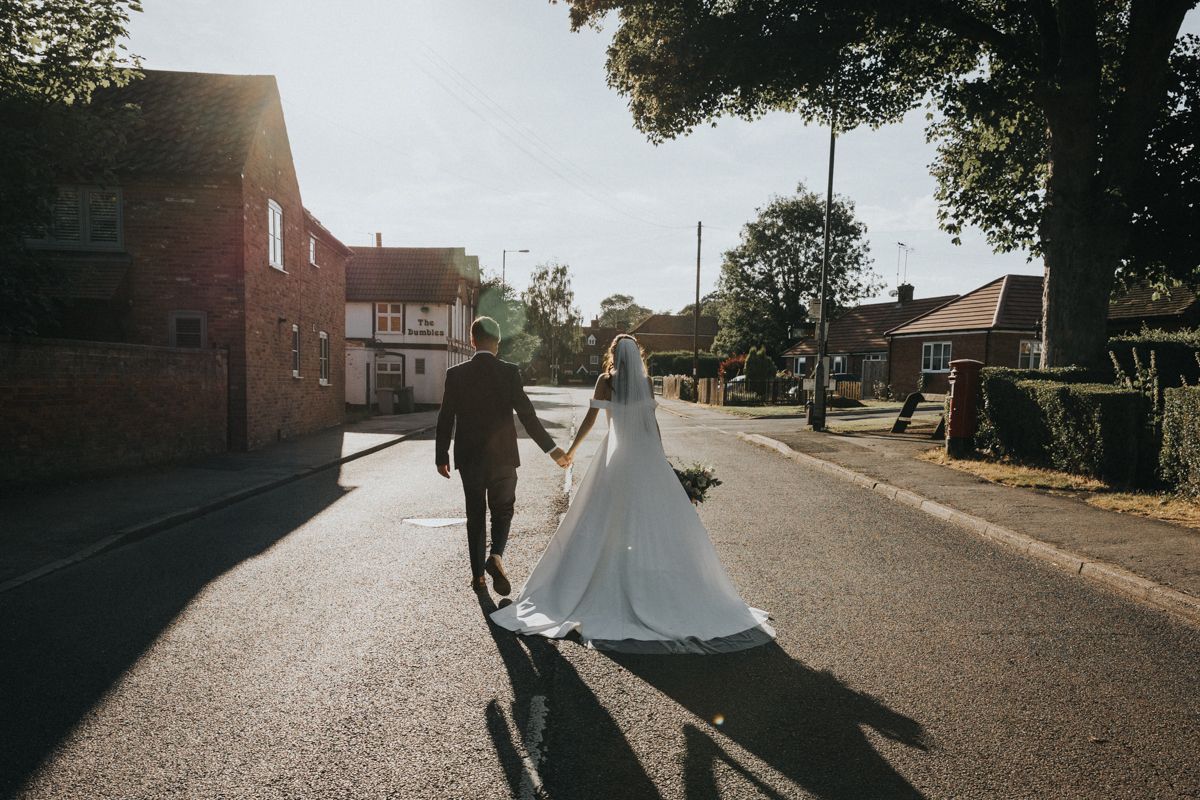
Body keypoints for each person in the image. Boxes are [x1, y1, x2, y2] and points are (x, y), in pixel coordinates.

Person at [490, 334, 774, 653]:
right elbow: (651, 424)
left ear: (614, 355)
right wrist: (662, 460)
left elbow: (590, 420)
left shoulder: (605, 381)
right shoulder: (645, 380)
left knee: (601, 521)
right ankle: (647, 582)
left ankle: (608, 581)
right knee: (653, 522)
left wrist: (571, 450)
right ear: (637, 357)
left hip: (617, 456)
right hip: (645, 456)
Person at [436, 316, 570, 595]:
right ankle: (496, 555)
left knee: (475, 515)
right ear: (498, 342)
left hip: (469, 458)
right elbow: (528, 416)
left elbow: (445, 417)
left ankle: (478, 578)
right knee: (503, 510)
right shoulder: (509, 373)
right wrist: (552, 449)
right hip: (504, 457)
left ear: (472, 341)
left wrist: (441, 455)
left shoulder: (456, 374)